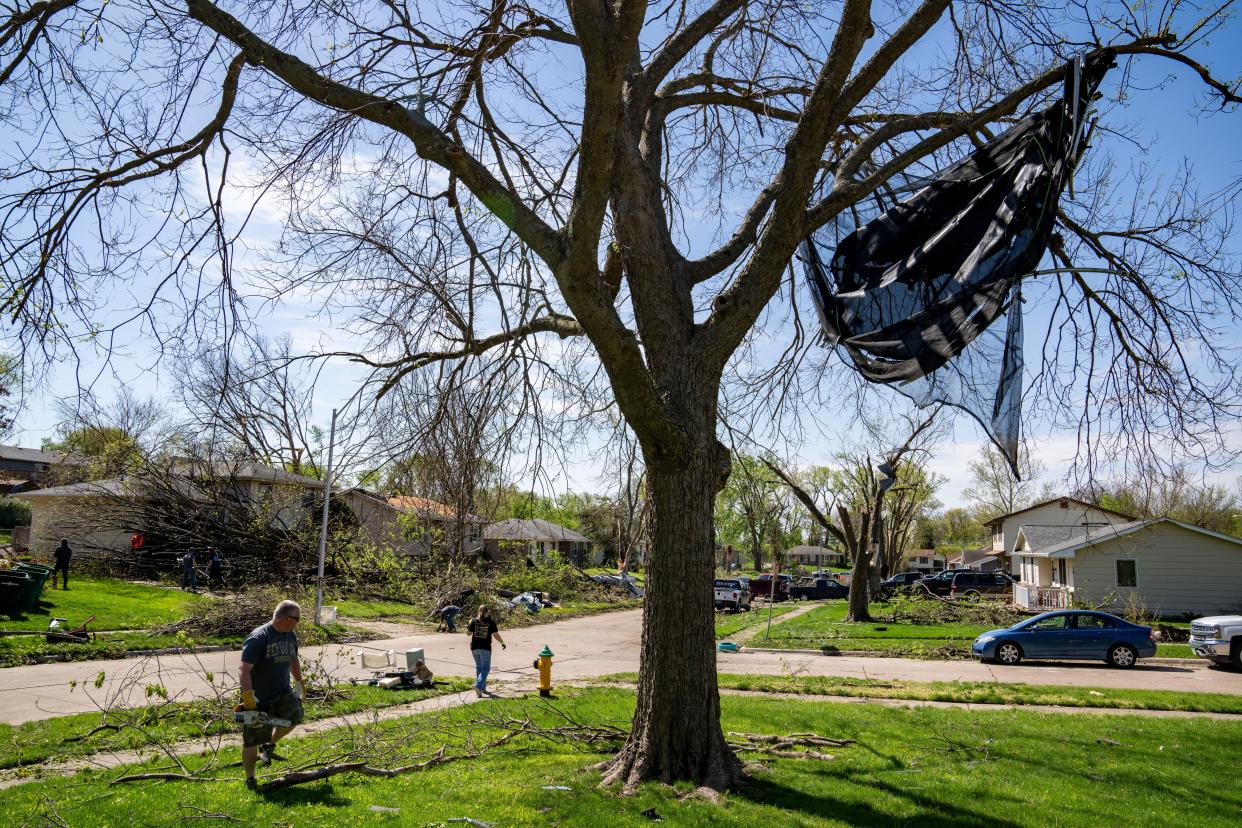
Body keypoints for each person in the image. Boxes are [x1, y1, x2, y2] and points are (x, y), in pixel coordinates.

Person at [239, 600, 305, 789]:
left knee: (294, 717)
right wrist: (248, 696)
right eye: (297, 619)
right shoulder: (260, 637)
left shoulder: (290, 634)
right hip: (258, 696)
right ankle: (250, 778)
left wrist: (299, 681)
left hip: (282, 691)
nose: (298, 622)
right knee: (252, 738)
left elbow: (293, 658)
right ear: (285, 618)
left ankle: (269, 745)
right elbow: (243, 669)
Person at [466, 605, 505, 698]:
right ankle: (478, 685)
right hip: (485, 648)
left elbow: (468, 634)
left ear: (478, 611)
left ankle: (482, 688)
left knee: (479, 667)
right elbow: (495, 634)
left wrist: (469, 624)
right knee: (486, 669)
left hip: (474, 647)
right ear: (487, 612)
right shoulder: (490, 622)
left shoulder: (474, 621)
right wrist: (502, 642)